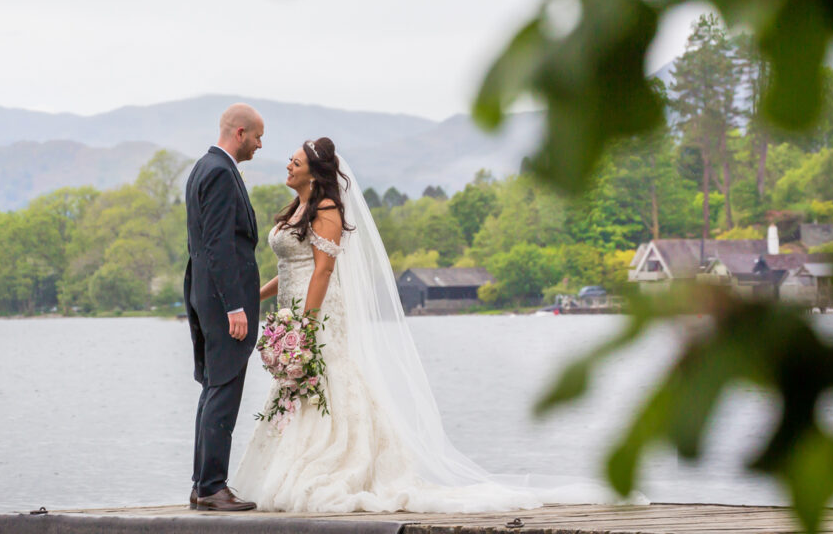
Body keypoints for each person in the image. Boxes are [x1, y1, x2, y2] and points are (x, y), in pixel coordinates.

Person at [231, 137, 618, 513]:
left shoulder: (327, 208)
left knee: (330, 378)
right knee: (296, 385)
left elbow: (323, 269)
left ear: (314, 174)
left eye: (295, 162)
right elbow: (291, 269)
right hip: (291, 311)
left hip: (319, 313)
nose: (288, 165)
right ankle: (284, 465)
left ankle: (335, 466)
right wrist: (256, 298)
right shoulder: (295, 209)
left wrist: (307, 326)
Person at [183, 103, 264, 512]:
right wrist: (234, 305)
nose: (260, 144)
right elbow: (216, 244)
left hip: (206, 296)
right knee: (224, 391)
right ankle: (213, 486)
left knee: (214, 388)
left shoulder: (204, 167)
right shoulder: (218, 172)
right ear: (239, 133)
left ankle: (202, 486)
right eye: (257, 137)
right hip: (221, 303)